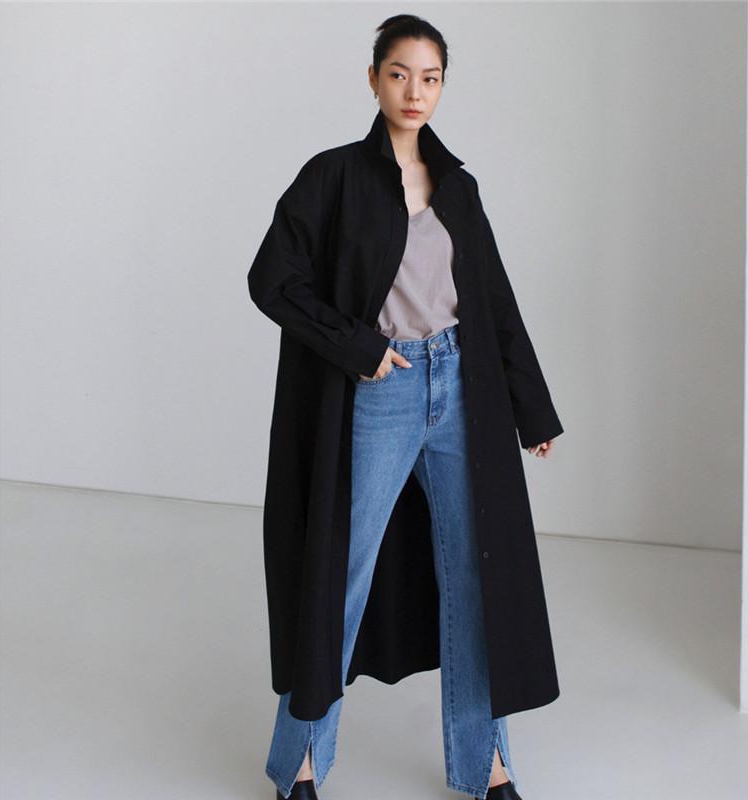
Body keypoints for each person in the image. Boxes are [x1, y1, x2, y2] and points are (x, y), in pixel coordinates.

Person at [248, 14, 563, 800]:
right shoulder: (332, 178)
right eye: (399, 74)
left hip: (460, 390)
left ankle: (486, 764)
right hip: (380, 391)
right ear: (373, 79)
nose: (414, 91)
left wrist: (531, 408)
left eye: (430, 77)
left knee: (475, 577)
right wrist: (357, 346)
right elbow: (272, 278)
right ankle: (301, 762)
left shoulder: (459, 187)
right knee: (339, 578)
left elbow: (492, 300)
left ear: (443, 85)